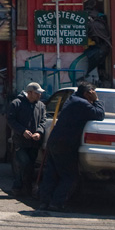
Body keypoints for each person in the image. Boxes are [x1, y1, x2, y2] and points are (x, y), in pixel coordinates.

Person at [37, 81, 105, 212]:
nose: (94, 96)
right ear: (87, 93)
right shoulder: (81, 103)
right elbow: (100, 115)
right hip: (65, 144)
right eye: (93, 93)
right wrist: (96, 100)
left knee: (52, 174)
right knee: (69, 176)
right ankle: (56, 203)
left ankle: (44, 202)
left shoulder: (73, 99)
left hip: (55, 141)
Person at [7, 82, 47, 197]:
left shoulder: (40, 106)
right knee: (23, 163)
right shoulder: (16, 104)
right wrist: (22, 131)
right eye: (37, 93)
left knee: (30, 165)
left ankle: (27, 189)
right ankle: (18, 186)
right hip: (20, 141)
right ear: (29, 93)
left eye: (40, 93)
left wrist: (39, 132)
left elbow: (43, 121)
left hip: (34, 143)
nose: (39, 95)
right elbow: (11, 120)